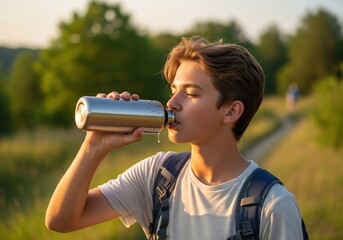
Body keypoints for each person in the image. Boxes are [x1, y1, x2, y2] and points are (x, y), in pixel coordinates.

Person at [45, 36, 305, 239]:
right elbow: (60, 221)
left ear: (231, 111)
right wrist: (94, 147)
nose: (171, 103)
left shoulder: (272, 206)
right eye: (173, 90)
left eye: (190, 94)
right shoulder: (157, 176)